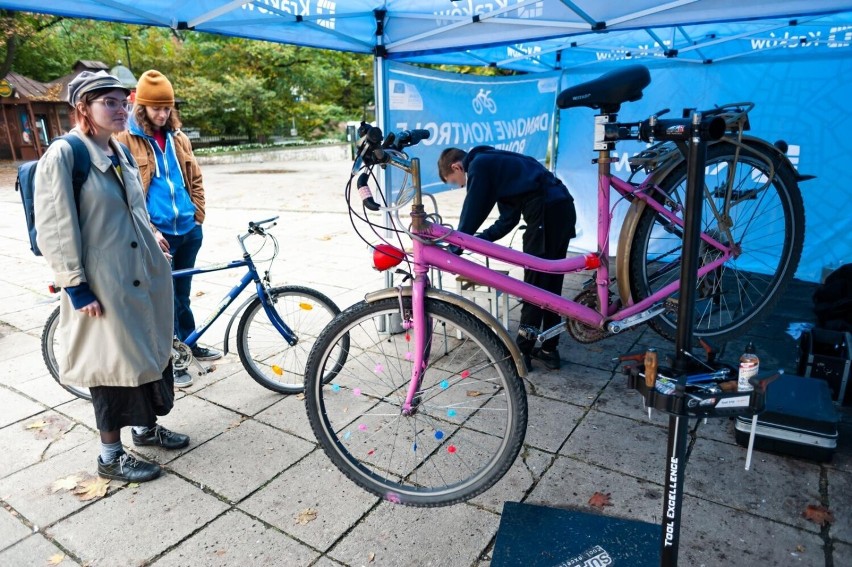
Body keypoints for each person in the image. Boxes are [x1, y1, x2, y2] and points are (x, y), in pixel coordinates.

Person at [34, 70, 189, 483]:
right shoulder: (67, 154)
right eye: (109, 102)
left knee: (146, 357)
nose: (121, 110)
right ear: (83, 107)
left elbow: (133, 209)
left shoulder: (117, 151)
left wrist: (154, 234)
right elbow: (56, 227)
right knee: (111, 370)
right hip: (104, 283)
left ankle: (145, 429)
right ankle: (109, 456)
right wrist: (76, 287)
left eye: (123, 101)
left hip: (138, 274)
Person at [116, 70, 220, 388]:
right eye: (156, 108)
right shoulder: (125, 140)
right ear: (142, 107)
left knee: (182, 295)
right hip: (158, 234)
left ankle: (189, 345)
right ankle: (172, 359)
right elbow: (124, 190)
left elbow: (195, 177)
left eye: (167, 108)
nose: (162, 114)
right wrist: (147, 228)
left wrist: (198, 214)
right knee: (164, 300)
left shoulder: (179, 137)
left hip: (188, 229)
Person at [437, 146, 577, 370]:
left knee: (534, 285)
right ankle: (550, 349)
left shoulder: (480, 166)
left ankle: (521, 353)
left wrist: (457, 243)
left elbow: (473, 209)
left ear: (456, 166)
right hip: (561, 208)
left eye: (455, 181)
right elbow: (508, 220)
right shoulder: (497, 165)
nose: (461, 186)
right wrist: (479, 241)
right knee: (550, 284)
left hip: (546, 213)